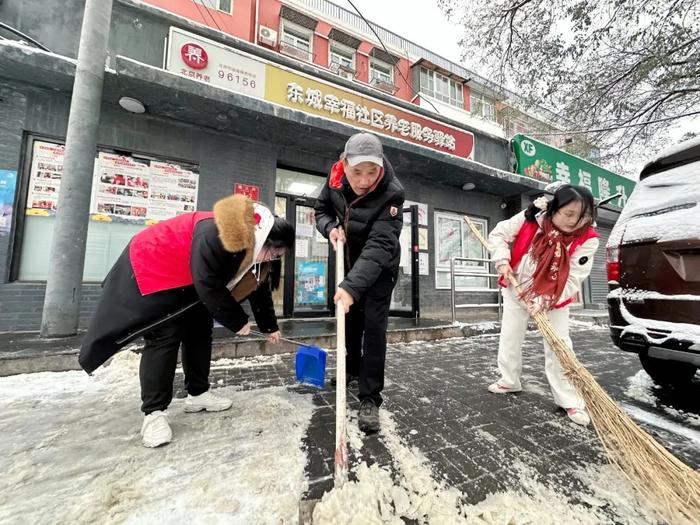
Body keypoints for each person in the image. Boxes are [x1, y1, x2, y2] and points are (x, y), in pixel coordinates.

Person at [79, 195, 294, 447]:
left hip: (189, 280)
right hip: (155, 265)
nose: (272, 259)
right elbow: (208, 282)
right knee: (165, 334)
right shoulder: (217, 234)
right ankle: (154, 413)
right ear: (263, 239)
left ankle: (198, 393)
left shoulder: (255, 250)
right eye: (274, 252)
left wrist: (270, 327)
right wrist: (237, 321)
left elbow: (258, 288)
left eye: (278, 256)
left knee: (200, 329)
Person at [486, 184, 599, 426]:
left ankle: (568, 398)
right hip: (517, 287)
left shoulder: (587, 239)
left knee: (559, 345)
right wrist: (502, 260)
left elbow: (574, 276)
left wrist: (546, 299)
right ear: (554, 208)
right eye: (569, 214)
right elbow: (498, 234)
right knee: (510, 335)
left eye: (583, 217)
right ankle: (509, 380)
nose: (575, 222)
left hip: (554, 297)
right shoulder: (531, 218)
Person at [314, 132, 405, 434]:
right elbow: (321, 210)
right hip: (349, 262)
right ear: (344, 165)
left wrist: (352, 287)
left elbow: (380, 245)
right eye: (357, 172)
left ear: (381, 167)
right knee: (349, 322)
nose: (364, 181)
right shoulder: (334, 180)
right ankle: (351, 369)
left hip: (380, 271)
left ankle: (370, 397)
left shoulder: (392, 193)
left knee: (373, 331)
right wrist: (330, 228)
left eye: (372, 172)